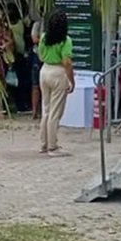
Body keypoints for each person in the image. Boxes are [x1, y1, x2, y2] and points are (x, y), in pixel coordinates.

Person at [36, 10, 74, 156]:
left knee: (46, 110)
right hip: (58, 72)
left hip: (44, 70)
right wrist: (71, 80)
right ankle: (53, 147)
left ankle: (44, 144)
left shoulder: (44, 37)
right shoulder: (66, 40)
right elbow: (67, 62)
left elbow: (40, 54)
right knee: (55, 112)